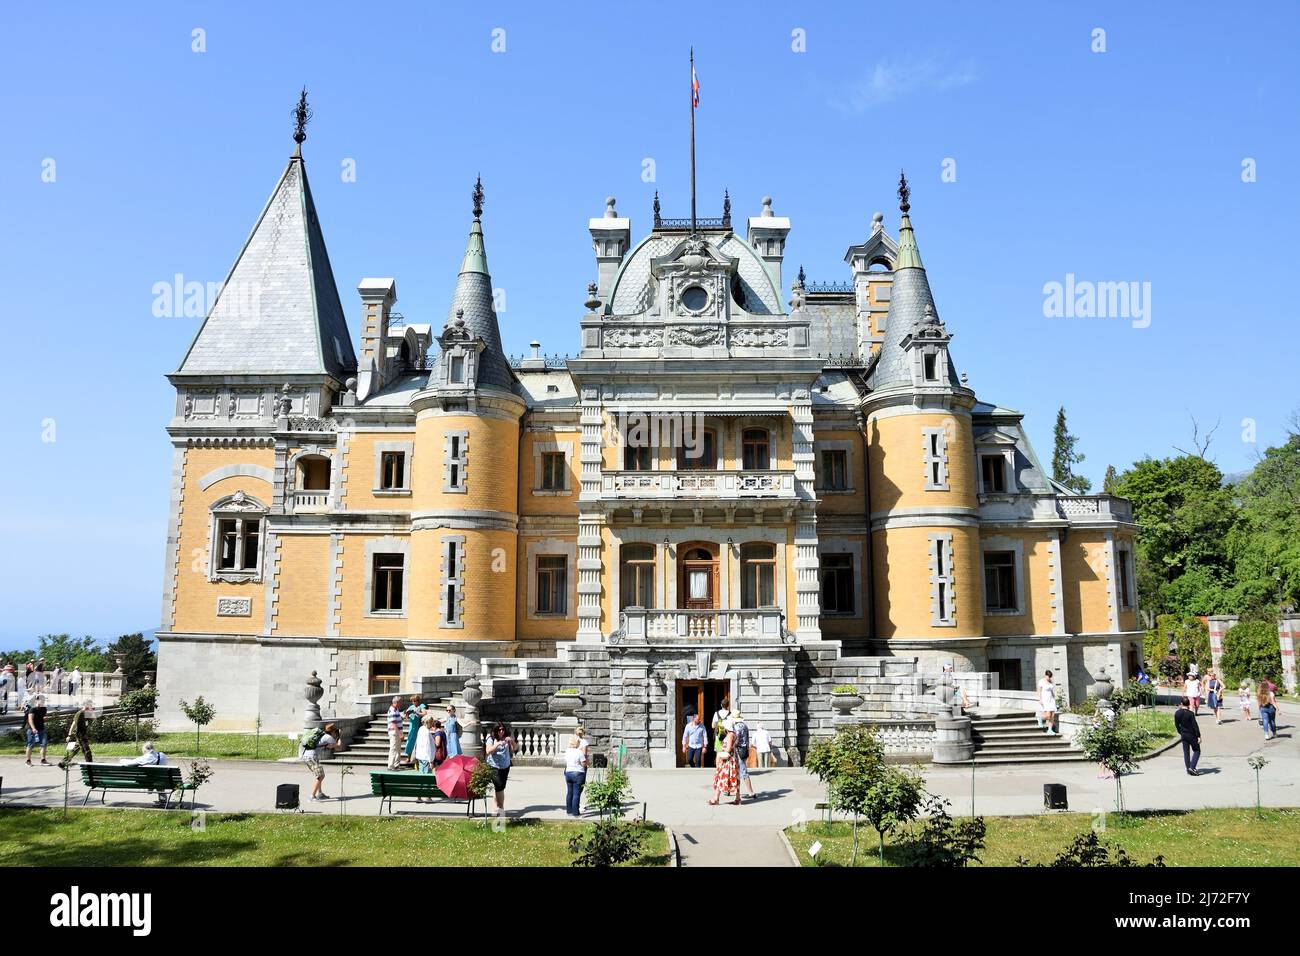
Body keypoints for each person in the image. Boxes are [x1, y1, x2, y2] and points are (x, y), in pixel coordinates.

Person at [301, 722, 342, 801]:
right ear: (332, 732)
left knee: (319, 775)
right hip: (311, 757)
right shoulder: (328, 738)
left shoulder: (323, 736)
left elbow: (332, 746)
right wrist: (340, 736)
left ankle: (319, 794)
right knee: (321, 776)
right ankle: (312, 796)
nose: (335, 733)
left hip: (308, 756)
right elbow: (339, 748)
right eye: (335, 731)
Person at [485, 722, 518, 812]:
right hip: (493, 766)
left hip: (505, 766)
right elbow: (488, 751)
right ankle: (501, 807)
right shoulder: (491, 739)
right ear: (495, 730)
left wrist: (511, 741)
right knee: (499, 786)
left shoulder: (507, 738)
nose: (501, 731)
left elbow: (515, 748)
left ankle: (495, 806)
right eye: (499, 730)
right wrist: (497, 744)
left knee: (500, 787)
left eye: (503, 729)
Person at [708, 719, 740, 806]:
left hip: (727, 760)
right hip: (732, 758)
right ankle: (738, 798)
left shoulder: (730, 735)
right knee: (734, 778)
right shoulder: (733, 734)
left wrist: (720, 751)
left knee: (721, 777)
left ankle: (716, 798)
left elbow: (728, 749)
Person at [59, 700, 95, 770]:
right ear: (85, 705)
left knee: (75, 749)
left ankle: (62, 763)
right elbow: (74, 724)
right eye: (90, 705)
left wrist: (91, 711)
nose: (91, 707)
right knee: (87, 750)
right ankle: (90, 766)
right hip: (80, 735)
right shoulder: (80, 713)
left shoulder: (87, 713)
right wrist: (69, 735)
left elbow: (94, 718)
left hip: (83, 734)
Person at [731, 711, 757, 800]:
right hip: (745, 750)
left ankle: (751, 792)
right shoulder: (745, 725)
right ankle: (732, 790)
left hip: (739, 750)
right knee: (738, 770)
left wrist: (732, 746)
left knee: (742, 771)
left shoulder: (736, 727)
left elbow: (737, 740)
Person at [563, 728, 589, 817]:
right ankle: (575, 813)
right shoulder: (579, 752)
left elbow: (566, 761)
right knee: (576, 794)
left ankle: (569, 811)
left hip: (568, 772)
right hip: (578, 773)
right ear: (577, 743)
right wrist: (588, 763)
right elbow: (583, 764)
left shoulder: (567, 751)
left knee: (569, 792)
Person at [1174, 697, 1202, 776]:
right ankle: (1192, 767)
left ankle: (1188, 768)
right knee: (1197, 751)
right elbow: (1194, 725)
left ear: (1181, 703)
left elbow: (1176, 724)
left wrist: (1180, 732)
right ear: (1189, 704)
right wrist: (1198, 736)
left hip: (1183, 734)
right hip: (1192, 735)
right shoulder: (1190, 713)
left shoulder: (1177, 713)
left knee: (1186, 752)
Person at [24, 694, 49, 766]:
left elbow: (42, 718)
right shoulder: (32, 709)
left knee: (44, 745)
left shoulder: (44, 709)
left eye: (44, 700)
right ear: (37, 700)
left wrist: (45, 719)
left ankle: (43, 760)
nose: (43, 701)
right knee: (30, 745)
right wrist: (33, 728)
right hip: (32, 729)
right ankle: (28, 761)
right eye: (42, 700)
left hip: (42, 729)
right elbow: (30, 720)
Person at [402, 695, 426, 766]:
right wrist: (406, 714)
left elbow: (425, 713)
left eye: (415, 701)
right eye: (412, 701)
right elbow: (405, 715)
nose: (413, 702)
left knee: (419, 742)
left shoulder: (421, 705)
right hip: (412, 726)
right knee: (410, 741)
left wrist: (417, 713)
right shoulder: (411, 707)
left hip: (419, 726)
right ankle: (408, 757)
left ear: (418, 701)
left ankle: (419, 758)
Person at [385, 696, 404, 770]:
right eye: (400, 702)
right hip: (394, 732)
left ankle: (396, 764)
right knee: (393, 748)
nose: (401, 703)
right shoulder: (392, 710)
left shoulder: (396, 709)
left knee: (398, 749)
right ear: (397, 702)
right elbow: (394, 723)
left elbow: (396, 719)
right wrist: (400, 734)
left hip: (396, 732)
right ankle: (391, 765)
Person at [1038, 671, 1058, 735]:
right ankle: (1040, 719)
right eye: (1048, 676)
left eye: (1050, 677)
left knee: (1052, 716)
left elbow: (1051, 691)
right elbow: (1039, 691)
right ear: (1045, 675)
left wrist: (1054, 698)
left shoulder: (1050, 682)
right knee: (1048, 715)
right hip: (1045, 700)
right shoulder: (1041, 681)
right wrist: (1040, 699)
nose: (1049, 678)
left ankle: (1050, 730)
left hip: (1051, 700)